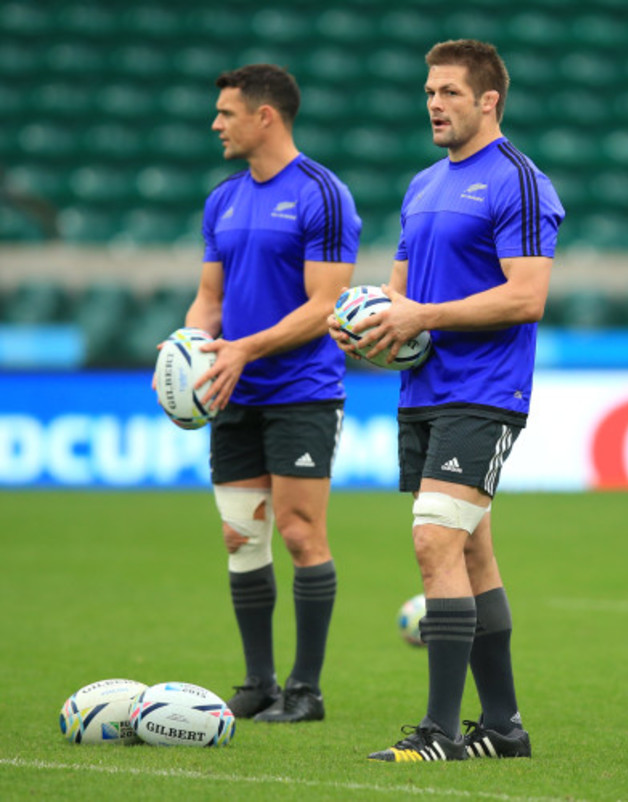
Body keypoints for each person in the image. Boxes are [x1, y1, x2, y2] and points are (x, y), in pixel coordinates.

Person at [329, 39, 564, 761]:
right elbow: (400, 297)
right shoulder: (424, 184)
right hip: (425, 389)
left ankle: (438, 733)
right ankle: (502, 729)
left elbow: (527, 297)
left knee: (434, 538)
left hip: (486, 391)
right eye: (430, 91)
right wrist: (367, 329)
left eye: (450, 93)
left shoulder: (519, 182)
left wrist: (418, 318)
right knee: (471, 551)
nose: (434, 103)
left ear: (488, 100)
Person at [186, 64, 361, 722]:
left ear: (266, 116)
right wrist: (185, 348)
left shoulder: (323, 193)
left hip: (300, 390)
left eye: (226, 112)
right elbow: (210, 300)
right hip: (233, 389)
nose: (216, 124)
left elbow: (325, 306)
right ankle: (258, 683)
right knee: (241, 537)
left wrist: (244, 348)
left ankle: (305, 689)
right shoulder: (223, 200)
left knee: (298, 532)